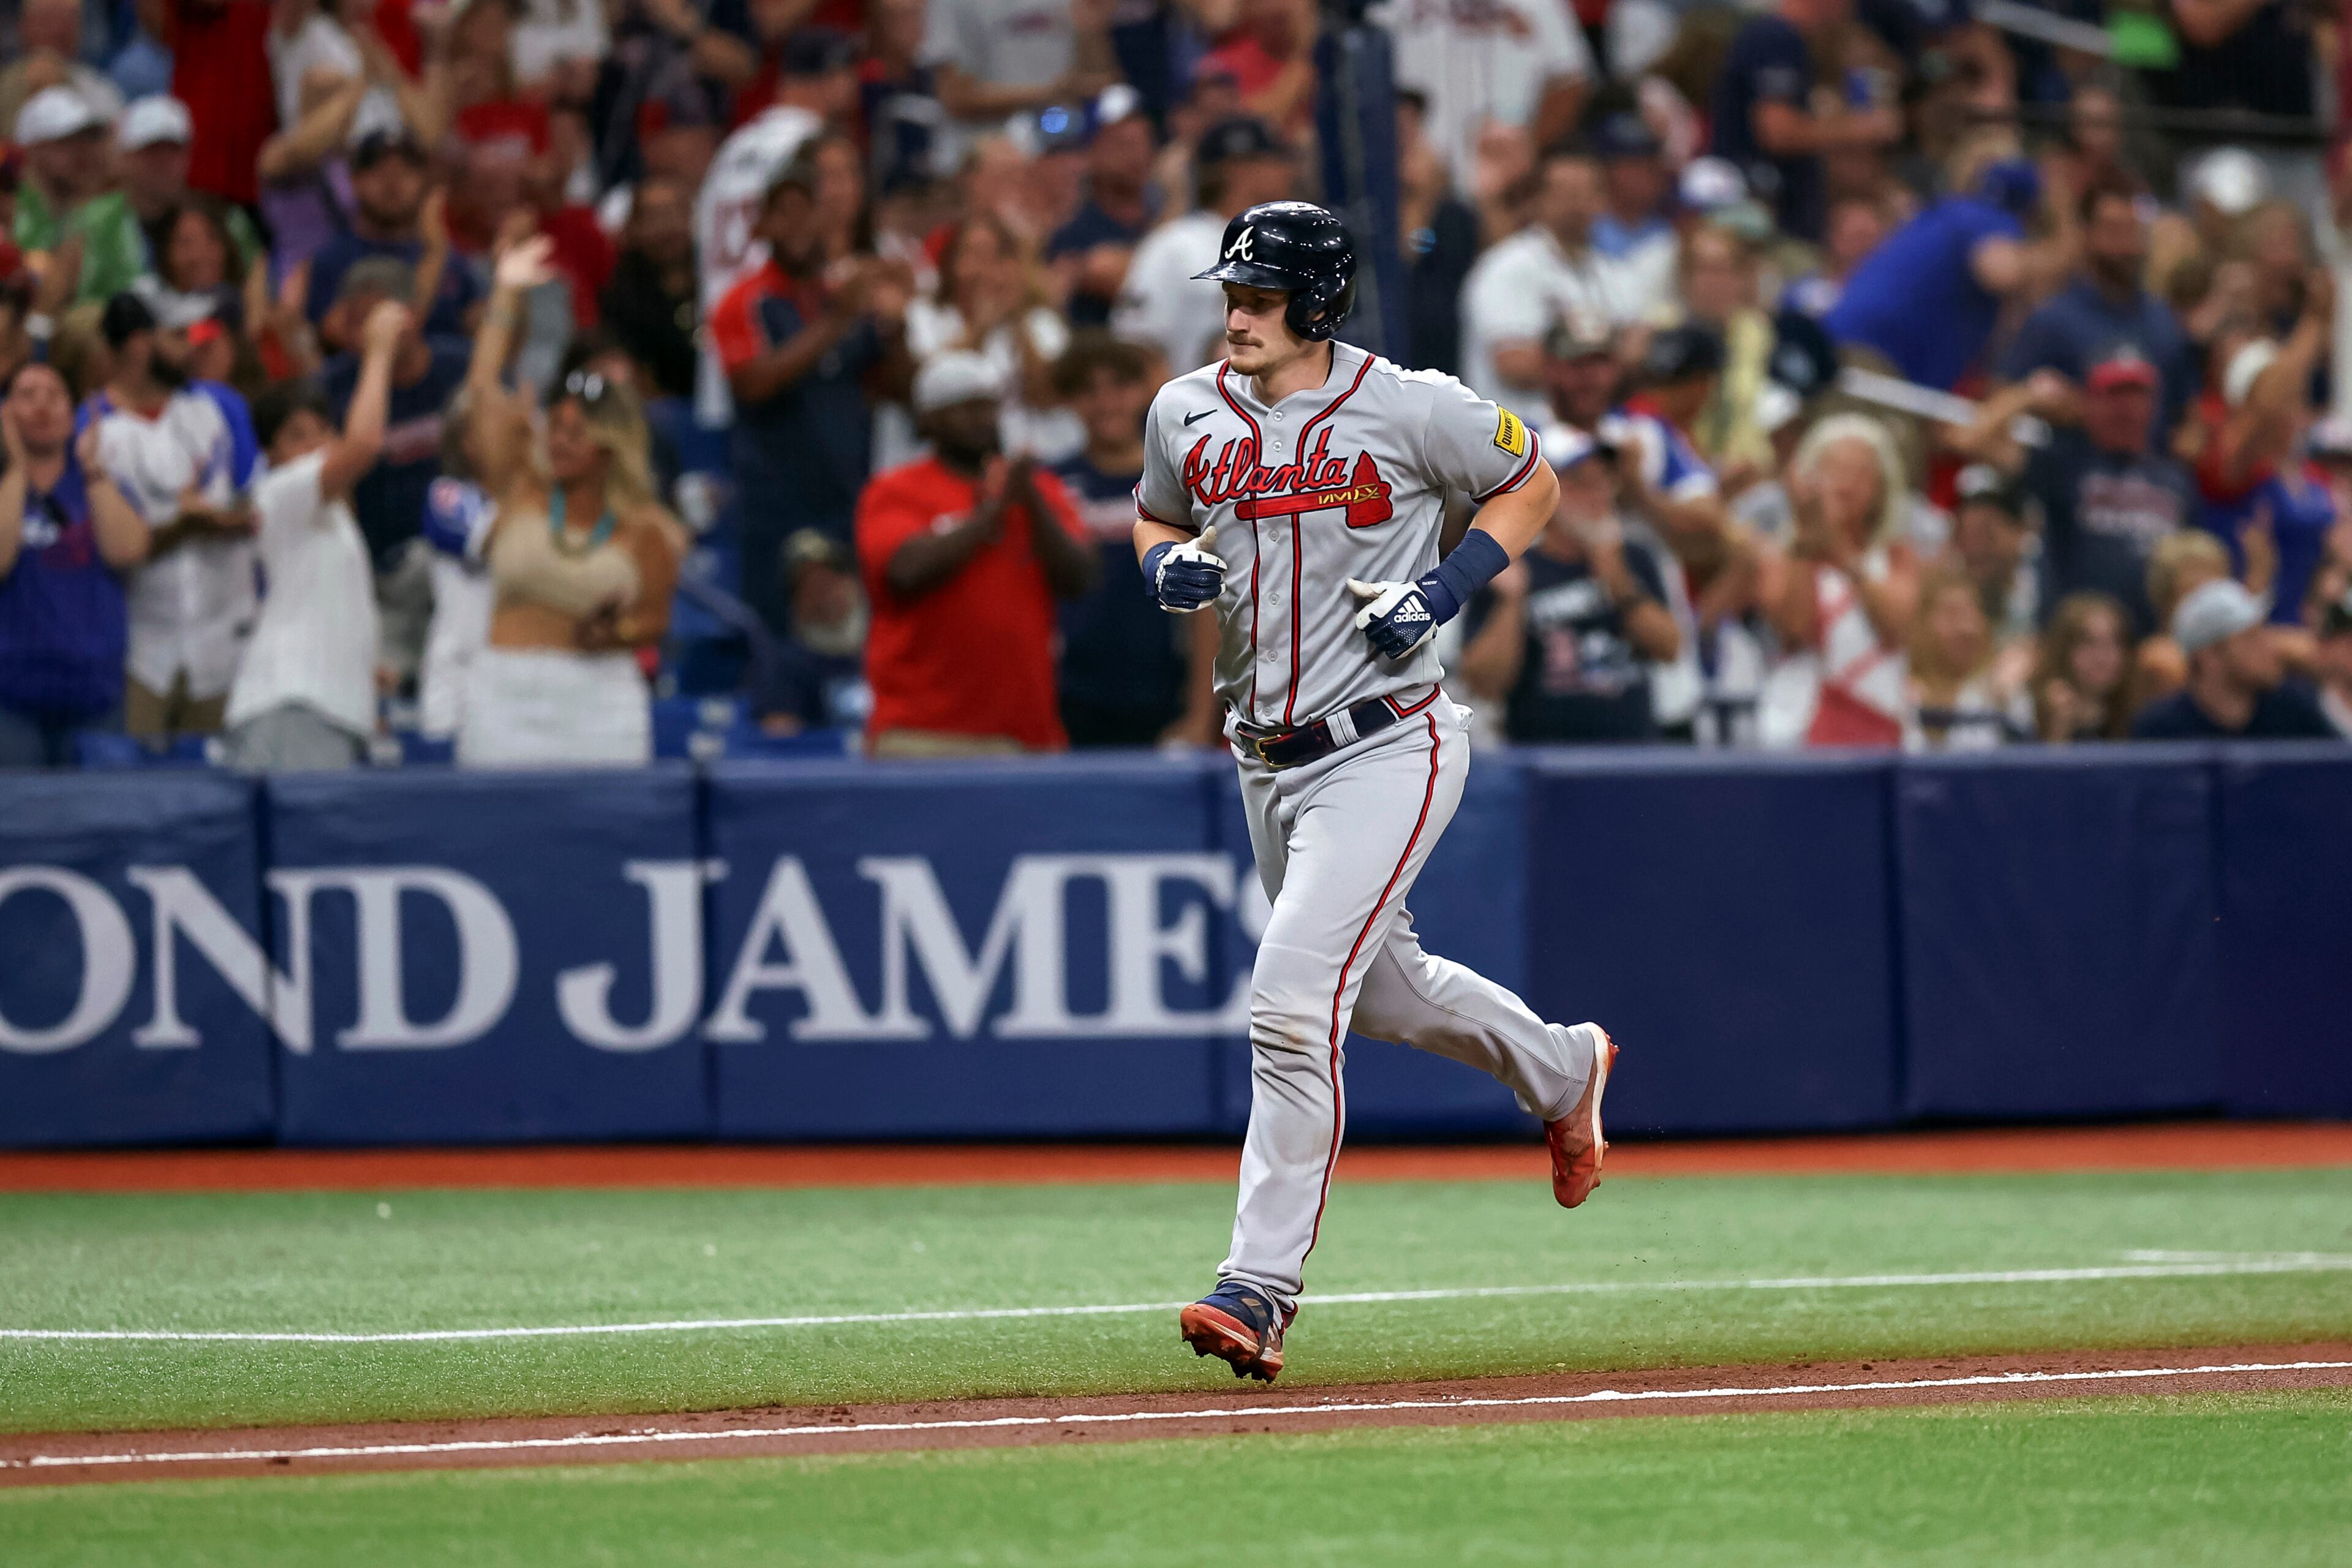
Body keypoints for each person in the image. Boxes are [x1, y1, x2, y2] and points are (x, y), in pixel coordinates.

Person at [1131, 200, 1608, 1382]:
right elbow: (1154, 512)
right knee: (1384, 989)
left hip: (1390, 740)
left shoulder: (1411, 403)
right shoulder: (1185, 408)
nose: (1235, 312)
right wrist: (1165, 565)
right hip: (1264, 755)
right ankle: (1562, 1069)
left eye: (1258, 295)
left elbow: (1532, 484)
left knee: (1293, 1002)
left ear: (1320, 302)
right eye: (1231, 293)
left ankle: (1259, 1284)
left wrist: (1445, 591)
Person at [457, 235, 683, 767]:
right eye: (555, 427)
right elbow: (482, 391)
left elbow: (654, 619)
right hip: (503, 698)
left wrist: (617, 633)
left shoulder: (647, 529)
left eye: (577, 433)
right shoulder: (522, 489)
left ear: (612, 445)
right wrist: (506, 296)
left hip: (601, 703)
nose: (557, 441)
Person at [856, 350, 1096, 756]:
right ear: (929, 421)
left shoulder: (1039, 489)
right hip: (923, 732)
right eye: (964, 409)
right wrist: (991, 516)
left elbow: (1080, 577)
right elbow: (905, 570)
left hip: (1028, 732)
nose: (982, 419)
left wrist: (1030, 501)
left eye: (988, 406)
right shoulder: (895, 490)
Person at [711, 154, 912, 631]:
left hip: (848, 497)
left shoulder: (851, 295)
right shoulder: (743, 300)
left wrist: (898, 327)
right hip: (775, 504)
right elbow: (754, 384)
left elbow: (895, 390)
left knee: (855, 637)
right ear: (763, 224)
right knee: (779, 642)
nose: (799, 224)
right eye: (785, 211)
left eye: (811, 209)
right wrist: (837, 320)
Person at [222, 301, 408, 772]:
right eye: (297, 437)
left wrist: (360, 664)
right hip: (292, 706)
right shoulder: (277, 493)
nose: (315, 447)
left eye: (322, 432)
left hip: (321, 708)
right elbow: (364, 444)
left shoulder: (334, 520)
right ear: (269, 454)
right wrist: (379, 349)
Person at [88, 290, 256, 739]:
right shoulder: (92, 428)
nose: (195, 347)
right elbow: (113, 545)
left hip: (226, 638)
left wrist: (216, 519)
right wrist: (184, 525)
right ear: (141, 344)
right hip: (139, 647)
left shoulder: (219, 406)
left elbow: (255, 503)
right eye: (180, 335)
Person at [1457, 430, 1680, 742]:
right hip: (1544, 764)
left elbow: (1669, 648)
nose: (1596, 496)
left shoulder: (1633, 557)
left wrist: (1615, 575)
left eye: (1603, 481)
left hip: (1632, 759)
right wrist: (1511, 603)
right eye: (1580, 483)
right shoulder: (1511, 567)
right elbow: (1484, 683)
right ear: (1546, 492)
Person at [1048, 332, 1215, 747]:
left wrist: (1199, 715)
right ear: (1070, 400)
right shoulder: (1051, 485)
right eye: (1089, 390)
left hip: (1163, 692)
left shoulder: (1178, 483)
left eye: (1119, 387)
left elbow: (1206, 609)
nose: (1106, 403)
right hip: (1070, 696)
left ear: (1143, 391)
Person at [0, 361, 150, 766]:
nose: (42, 407)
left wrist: (92, 468)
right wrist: (15, 470)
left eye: (54, 395)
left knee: (98, 825)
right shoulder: (5, 487)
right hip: (11, 699)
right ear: (6, 413)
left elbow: (129, 551)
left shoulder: (95, 480)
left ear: (73, 413)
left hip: (93, 695)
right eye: (27, 396)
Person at [1823, 149, 2071, 392]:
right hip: (1869, 361)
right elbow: (2003, 272)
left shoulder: (1946, 212)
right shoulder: (1983, 218)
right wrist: (2065, 238)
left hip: (1863, 357)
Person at [1759, 413, 1920, 748]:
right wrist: (1806, 540)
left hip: (1879, 724)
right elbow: (1796, 626)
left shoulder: (1898, 557)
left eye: (1861, 472)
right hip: (1800, 728)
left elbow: (1896, 625)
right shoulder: (1784, 556)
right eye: (1834, 470)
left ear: (1882, 487)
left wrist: (1840, 551)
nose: (1847, 483)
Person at [2013, 350, 2191, 636]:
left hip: (2151, 641)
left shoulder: (2177, 479)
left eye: (2137, 396)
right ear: (2089, 403)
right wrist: (2026, 397)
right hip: (2073, 635)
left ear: (2154, 405)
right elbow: (1973, 443)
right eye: (2115, 395)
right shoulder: (2062, 463)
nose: (2127, 408)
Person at [2002, 177, 2195, 439]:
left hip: (2151, 474)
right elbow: (2002, 394)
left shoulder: (2163, 321)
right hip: (2071, 469)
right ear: (2087, 235)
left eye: (2134, 231)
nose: (2127, 246)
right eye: (2114, 231)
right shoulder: (2054, 319)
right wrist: (2050, 404)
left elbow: (2185, 413)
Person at [1460, 145, 1646, 407]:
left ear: (1602, 200)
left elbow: (1641, 353)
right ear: (1539, 199)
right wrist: (1611, 351)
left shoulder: (1615, 273)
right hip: (1516, 435)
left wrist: (1571, 351)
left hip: (1591, 437)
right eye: (1564, 193)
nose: (1576, 204)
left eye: (1585, 193)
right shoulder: (1505, 268)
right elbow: (1515, 365)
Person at [1708, 0, 1901, 243]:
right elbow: (1778, 132)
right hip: (1756, 215)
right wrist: (1864, 127)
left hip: (1773, 212)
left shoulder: (1793, 40)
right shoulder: (1777, 36)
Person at [1113, 116, 1293, 375]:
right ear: (1240, 170)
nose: (1287, 171)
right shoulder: (1178, 244)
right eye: (1276, 161)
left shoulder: (1284, 248)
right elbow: (1138, 343)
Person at [1375, 0, 1591, 195]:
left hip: (1509, 179)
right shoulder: (1394, 6)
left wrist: (1530, 149)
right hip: (1420, 171)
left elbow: (1571, 83)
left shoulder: (1538, 5)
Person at [306, 129, 483, 341]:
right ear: (355, 182)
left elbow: (485, 330)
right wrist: (435, 254)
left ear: (424, 182)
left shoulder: (452, 259)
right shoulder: (334, 260)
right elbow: (360, 340)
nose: (393, 184)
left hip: (455, 369)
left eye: (405, 173)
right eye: (380, 173)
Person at [2131, 577, 2337, 739]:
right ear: (2209, 656)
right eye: (2251, 637)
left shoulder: (2296, 714)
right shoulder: (2162, 732)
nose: (2270, 646)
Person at [12, 86, 148, 309]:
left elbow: (128, 291)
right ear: (33, 150)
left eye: (86, 139)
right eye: (64, 142)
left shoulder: (106, 210)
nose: (81, 151)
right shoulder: (12, 211)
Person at [1045, 87, 1158, 329]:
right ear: (1090, 152)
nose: (1136, 156)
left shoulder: (1162, 215)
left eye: (1142, 143)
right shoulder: (1074, 233)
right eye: (1121, 145)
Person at [752, 528, 871, 736]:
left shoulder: (889, 647)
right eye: (811, 585)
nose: (826, 596)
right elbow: (781, 740)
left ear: (854, 581)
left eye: (832, 579)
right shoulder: (783, 665)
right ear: (796, 602)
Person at [599, 175, 700, 401]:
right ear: (632, 229)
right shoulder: (622, 297)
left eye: (677, 213)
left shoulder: (717, 283)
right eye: (655, 218)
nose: (668, 228)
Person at [1903, 564, 2018, 752]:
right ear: (1919, 623)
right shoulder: (1896, 695)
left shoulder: (2002, 693)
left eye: (1973, 614)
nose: (1968, 629)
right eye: (1952, 615)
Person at [2032, 590, 2135, 742]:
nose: (2102, 656)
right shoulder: (2033, 712)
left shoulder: (2137, 714)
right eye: (2089, 642)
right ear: (2064, 650)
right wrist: (2057, 730)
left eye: (2114, 643)